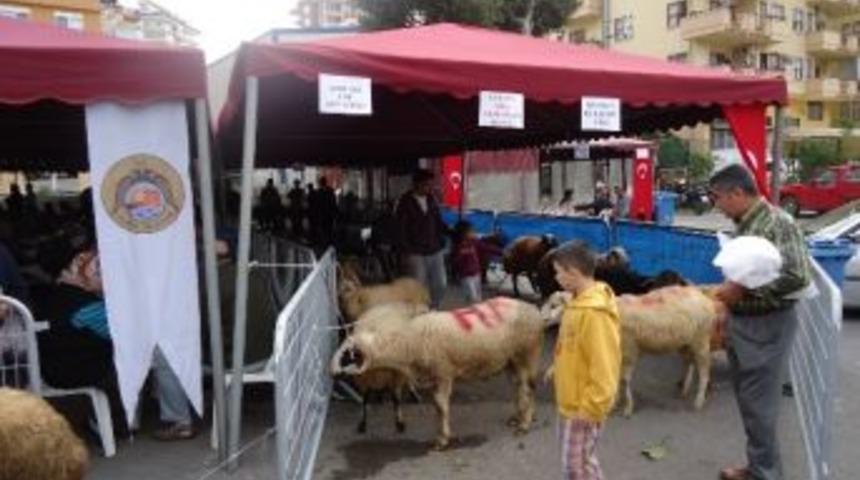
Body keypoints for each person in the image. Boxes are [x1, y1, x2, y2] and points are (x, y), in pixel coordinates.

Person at [709, 164, 812, 480]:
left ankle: (766, 473)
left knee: (759, 405)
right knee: (751, 404)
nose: (716, 206)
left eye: (718, 198)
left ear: (737, 193)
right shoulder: (747, 224)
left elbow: (798, 277)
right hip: (747, 323)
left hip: (767, 326)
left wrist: (741, 288)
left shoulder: (778, 223)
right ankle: (759, 468)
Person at [550, 241, 621, 480]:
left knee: (577, 467)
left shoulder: (594, 314)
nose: (556, 277)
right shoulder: (577, 301)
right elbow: (574, 347)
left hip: (582, 406)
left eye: (558, 271)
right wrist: (557, 366)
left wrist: (590, 408)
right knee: (580, 463)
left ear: (573, 273)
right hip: (571, 400)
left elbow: (605, 367)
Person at [394, 169, 448, 308]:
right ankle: (419, 310)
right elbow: (400, 228)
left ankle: (434, 306)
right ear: (416, 184)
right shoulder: (405, 202)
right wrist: (406, 249)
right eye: (426, 184)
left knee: (440, 283)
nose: (430, 187)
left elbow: (438, 221)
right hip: (415, 252)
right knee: (418, 285)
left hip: (435, 249)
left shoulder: (432, 200)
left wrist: (446, 236)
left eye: (431, 184)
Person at [450, 221, 502, 303]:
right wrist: (460, 255)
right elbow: (454, 261)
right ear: (464, 233)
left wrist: (502, 252)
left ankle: (473, 311)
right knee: (472, 299)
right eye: (471, 231)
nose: (474, 232)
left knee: (478, 298)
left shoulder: (474, 242)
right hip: (466, 277)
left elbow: (487, 247)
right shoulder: (458, 247)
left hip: (477, 274)